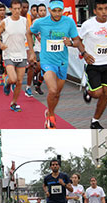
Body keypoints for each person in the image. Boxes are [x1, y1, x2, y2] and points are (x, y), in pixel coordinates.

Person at [28, 0, 81, 128]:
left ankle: (50, 111)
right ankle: (51, 116)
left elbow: (77, 40)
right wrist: (31, 52)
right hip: (47, 61)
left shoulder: (69, 22)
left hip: (62, 62)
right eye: (54, 10)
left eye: (59, 10)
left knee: (57, 93)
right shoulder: (41, 22)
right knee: (52, 90)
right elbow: (29, 33)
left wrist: (72, 43)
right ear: (49, 10)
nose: (57, 13)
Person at [79, 0, 107, 129]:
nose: (104, 12)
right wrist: (84, 53)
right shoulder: (88, 25)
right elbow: (78, 41)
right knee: (97, 93)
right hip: (93, 64)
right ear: (95, 11)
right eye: (100, 9)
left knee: (105, 94)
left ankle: (95, 121)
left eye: (106, 9)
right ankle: (88, 91)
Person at [0, 0, 34, 112]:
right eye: (15, 9)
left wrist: (31, 52)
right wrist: (0, 44)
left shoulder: (25, 21)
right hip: (8, 54)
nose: (17, 11)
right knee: (13, 79)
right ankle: (7, 82)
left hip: (21, 54)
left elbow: (29, 37)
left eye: (19, 8)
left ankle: (14, 103)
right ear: (11, 9)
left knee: (19, 82)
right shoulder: (5, 22)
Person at [32, 3, 47, 96]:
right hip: (38, 47)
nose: (43, 12)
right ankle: (34, 73)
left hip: (47, 49)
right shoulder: (36, 21)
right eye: (41, 10)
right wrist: (38, 36)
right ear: (37, 12)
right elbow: (33, 32)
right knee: (39, 66)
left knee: (45, 69)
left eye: (44, 10)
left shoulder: (49, 21)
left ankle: (38, 85)